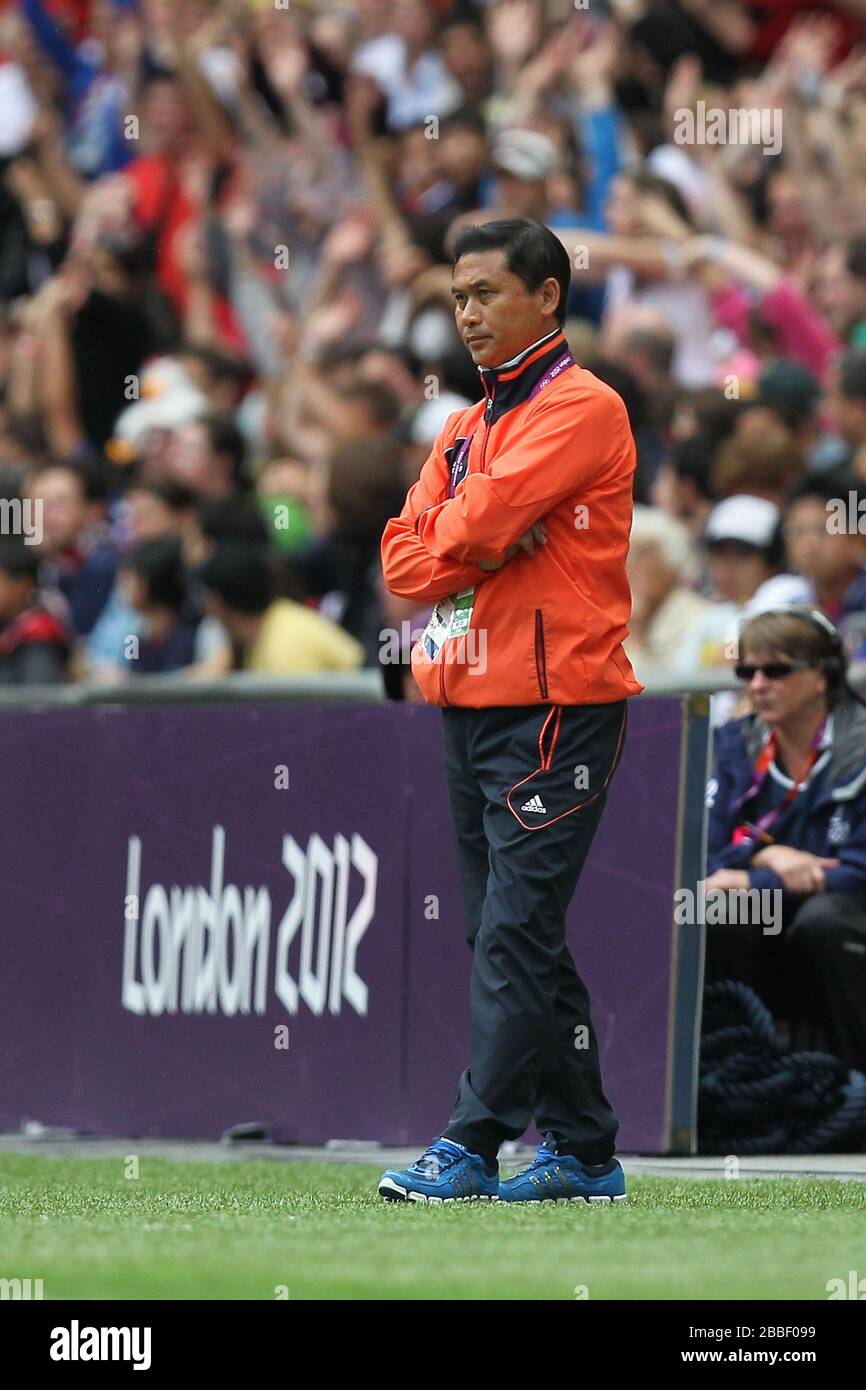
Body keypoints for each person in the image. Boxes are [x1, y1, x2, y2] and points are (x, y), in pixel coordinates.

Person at [379, 216, 642, 1204]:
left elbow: (478, 524)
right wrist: (472, 535)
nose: (466, 312)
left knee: (510, 929)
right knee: (504, 928)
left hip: (555, 702)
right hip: (469, 698)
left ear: (546, 295)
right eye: (456, 296)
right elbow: (402, 560)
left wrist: (472, 530)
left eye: (485, 292)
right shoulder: (463, 424)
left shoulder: (582, 407)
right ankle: (581, 1147)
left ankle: (470, 1141)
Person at [705, 607, 866, 1072]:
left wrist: (755, 883)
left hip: (840, 920)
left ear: (823, 675)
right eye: (747, 671)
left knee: (824, 920)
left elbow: (857, 874)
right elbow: (704, 857)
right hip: (775, 919)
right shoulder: (734, 745)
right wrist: (769, 855)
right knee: (713, 911)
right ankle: (741, 1084)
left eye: (774, 670)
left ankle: (852, 1090)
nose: (756, 685)